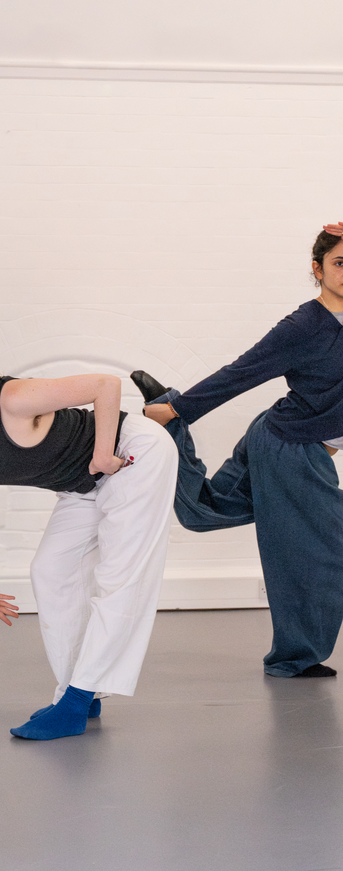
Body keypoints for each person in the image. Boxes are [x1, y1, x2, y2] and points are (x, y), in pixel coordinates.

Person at [0, 311, 178, 740]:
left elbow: (106, 386)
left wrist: (102, 455)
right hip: (82, 486)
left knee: (120, 576)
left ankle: (75, 702)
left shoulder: (11, 398)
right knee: (50, 570)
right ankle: (81, 691)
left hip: (131, 455)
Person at [131, 222, 343, 679]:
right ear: (317, 269)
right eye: (340, 263)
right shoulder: (304, 326)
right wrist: (180, 409)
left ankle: (166, 422)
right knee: (325, 550)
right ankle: (294, 657)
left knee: (207, 510)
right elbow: (241, 372)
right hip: (292, 447)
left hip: (280, 437)